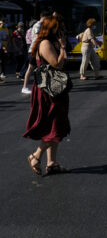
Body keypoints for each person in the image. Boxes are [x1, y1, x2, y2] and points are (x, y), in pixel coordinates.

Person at [24, 16, 71, 175]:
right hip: (48, 91)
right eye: (60, 29)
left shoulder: (50, 43)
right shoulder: (45, 44)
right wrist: (63, 48)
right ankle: (36, 156)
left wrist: (62, 47)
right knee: (55, 126)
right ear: (53, 29)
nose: (62, 32)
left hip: (54, 89)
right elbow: (57, 64)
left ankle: (52, 163)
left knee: (55, 125)